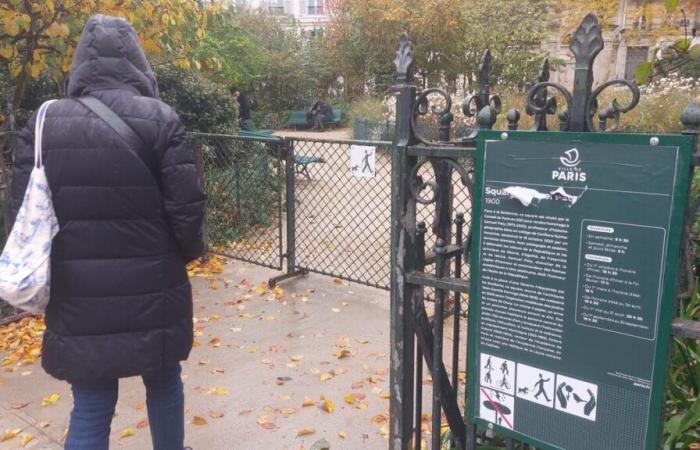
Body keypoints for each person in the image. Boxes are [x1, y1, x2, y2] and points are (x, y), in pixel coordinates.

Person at [9, 15, 205, 450]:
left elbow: (21, 214)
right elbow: (187, 210)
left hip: (79, 293)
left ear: (79, 63)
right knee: (164, 380)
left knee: (93, 399)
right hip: (154, 284)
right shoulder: (160, 119)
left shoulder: (43, 123)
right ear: (136, 61)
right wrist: (186, 255)